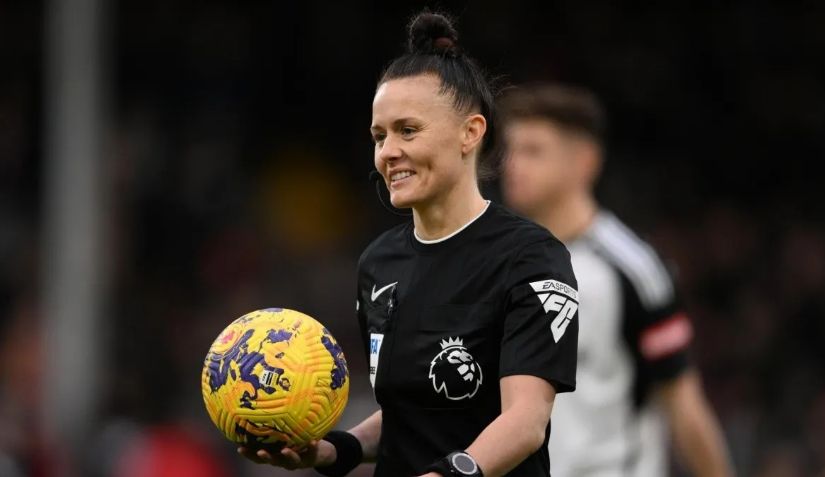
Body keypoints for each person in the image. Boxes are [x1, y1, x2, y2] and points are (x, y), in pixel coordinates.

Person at [238, 12, 580, 477]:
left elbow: (524, 421)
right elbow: (409, 414)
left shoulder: (530, 258)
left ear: (471, 132)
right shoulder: (379, 264)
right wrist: (334, 451)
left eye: (408, 130)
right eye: (379, 136)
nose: (388, 151)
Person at [499, 83, 734, 477]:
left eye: (533, 151)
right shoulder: (497, 263)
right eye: (509, 150)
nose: (512, 165)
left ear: (584, 162)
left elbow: (683, 406)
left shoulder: (634, 269)